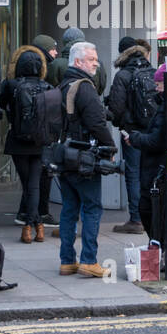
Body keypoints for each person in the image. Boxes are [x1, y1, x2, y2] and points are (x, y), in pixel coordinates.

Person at [55, 41, 116, 277]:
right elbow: (96, 122)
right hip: (84, 158)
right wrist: (109, 146)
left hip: (65, 155)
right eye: (91, 59)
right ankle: (89, 260)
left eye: (96, 59)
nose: (96, 63)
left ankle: (67, 261)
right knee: (91, 208)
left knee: (69, 209)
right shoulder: (85, 87)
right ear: (78, 61)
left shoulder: (63, 84)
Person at [0, 44, 53, 244]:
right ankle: (36, 226)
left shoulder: (11, 85)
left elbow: (0, 103)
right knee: (34, 184)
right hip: (40, 141)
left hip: (18, 140)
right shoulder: (47, 87)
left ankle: (30, 227)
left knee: (28, 183)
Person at [107, 35, 156, 235]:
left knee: (133, 174)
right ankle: (150, 215)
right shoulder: (152, 72)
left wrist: (112, 116)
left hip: (131, 133)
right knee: (150, 173)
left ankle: (136, 219)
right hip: (151, 132)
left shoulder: (123, 75)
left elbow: (116, 109)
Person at [124, 65, 167, 243]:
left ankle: (161, 251)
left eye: (159, 84)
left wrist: (135, 137)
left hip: (158, 169)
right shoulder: (166, 104)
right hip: (160, 168)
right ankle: (162, 251)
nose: (156, 88)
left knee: (151, 211)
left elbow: (156, 141)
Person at [32, 34, 61, 227]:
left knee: (33, 175)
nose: (55, 52)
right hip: (45, 128)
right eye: (52, 49)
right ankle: (40, 213)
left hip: (30, 131)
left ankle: (27, 213)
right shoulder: (50, 69)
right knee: (43, 172)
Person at [48, 26, 107, 95]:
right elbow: (101, 87)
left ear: (65, 42)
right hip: (92, 102)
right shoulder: (97, 63)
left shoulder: (57, 64)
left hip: (64, 104)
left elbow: (51, 88)